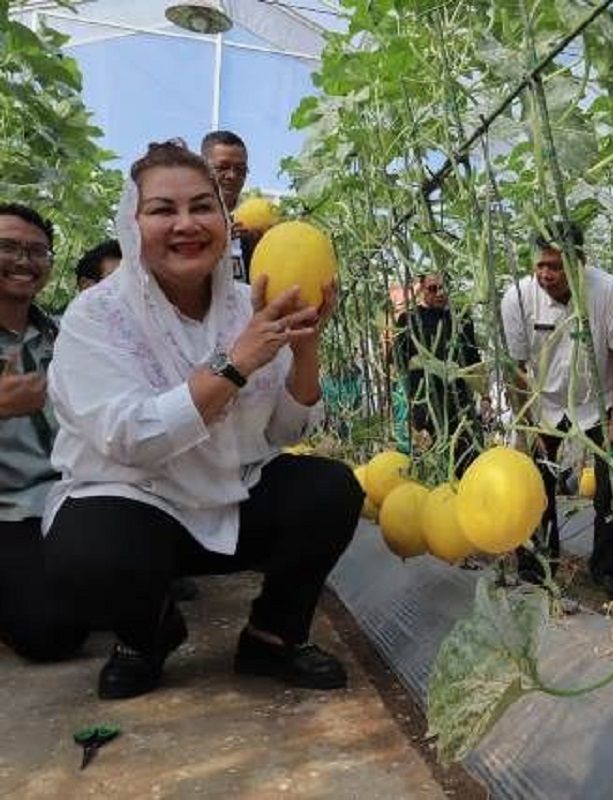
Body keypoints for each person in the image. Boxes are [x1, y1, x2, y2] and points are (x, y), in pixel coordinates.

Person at [42, 141, 362, 700]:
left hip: (228, 494)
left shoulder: (249, 303)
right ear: (133, 223)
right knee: (85, 550)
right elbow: (130, 438)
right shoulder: (95, 315)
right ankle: (148, 635)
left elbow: (285, 434)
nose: (186, 224)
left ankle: (273, 637)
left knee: (330, 489)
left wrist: (306, 347)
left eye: (201, 207)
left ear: (224, 220)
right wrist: (234, 362)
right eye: (163, 210)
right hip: (138, 502)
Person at [501, 220, 613, 598]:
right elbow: (516, 370)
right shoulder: (516, 298)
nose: (545, 274)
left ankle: (605, 568)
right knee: (534, 480)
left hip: (599, 402)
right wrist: (525, 429)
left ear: (579, 262)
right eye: (540, 265)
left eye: (555, 265)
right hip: (544, 402)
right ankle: (536, 564)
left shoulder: (608, 290)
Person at [0, 203, 89, 662]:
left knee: (145, 585)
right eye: (8, 247)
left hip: (71, 497)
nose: (23, 260)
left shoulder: (63, 334)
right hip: (10, 513)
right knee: (51, 634)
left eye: (37, 251)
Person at [394, 272, 481, 475]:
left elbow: (473, 357)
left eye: (443, 287)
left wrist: (484, 396)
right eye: (433, 288)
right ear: (422, 290)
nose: (439, 293)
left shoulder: (461, 318)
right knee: (430, 456)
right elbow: (398, 361)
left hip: (459, 401)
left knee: (465, 456)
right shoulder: (409, 319)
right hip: (425, 403)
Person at [201, 130, 256, 283]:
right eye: (222, 167)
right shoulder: (183, 224)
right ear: (202, 169)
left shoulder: (245, 230)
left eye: (240, 170)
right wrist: (214, 245)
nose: (232, 176)